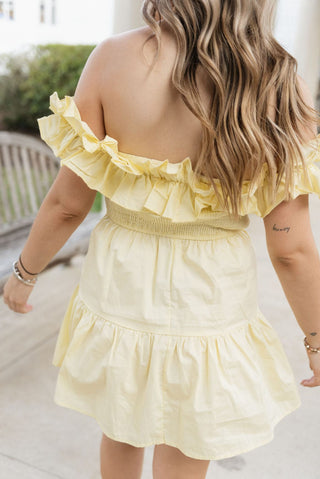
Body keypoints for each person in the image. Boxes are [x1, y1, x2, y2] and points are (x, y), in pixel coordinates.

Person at [3, 1, 320, 478]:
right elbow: (291, 249)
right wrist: (315, 339)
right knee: (191, 433)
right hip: (212, 294)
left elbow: (69, 203)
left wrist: (23, 274)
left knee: (122, 422)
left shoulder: (111, 58)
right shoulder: (276, 79)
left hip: (122, 282)